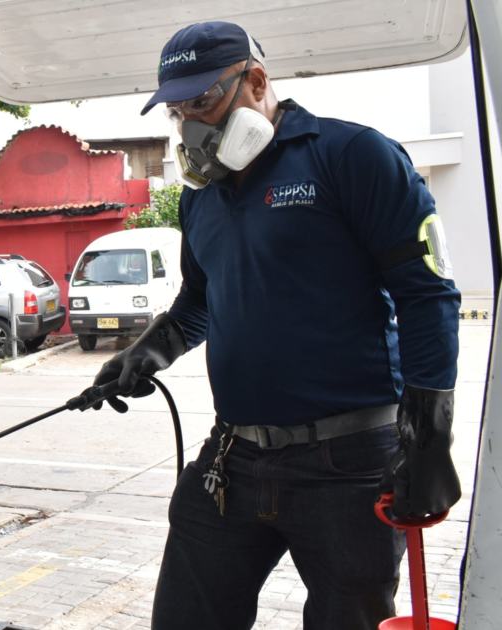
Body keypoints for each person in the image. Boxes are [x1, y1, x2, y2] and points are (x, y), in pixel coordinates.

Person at [72, 21, 463, 630]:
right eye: (178, 112)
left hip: (352, 466)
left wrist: (430, 439)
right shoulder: (201, 198)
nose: (191, 126)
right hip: (235, 457)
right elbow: (200, 301)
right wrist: (149, 352)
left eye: (203, 102)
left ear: (256, 82)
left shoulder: (352, 156)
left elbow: (428, 294)